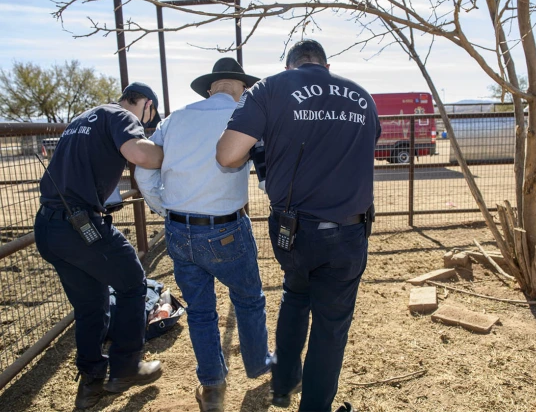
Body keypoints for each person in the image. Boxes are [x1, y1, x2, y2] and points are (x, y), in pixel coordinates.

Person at [216, 40, 381, 412]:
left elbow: (227, 155)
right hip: (348, 233)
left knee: (295, 295)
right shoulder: (361, 96)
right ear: (325, 63)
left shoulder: (271, 87)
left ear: (290, 65)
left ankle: (283, 385)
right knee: (331, 328)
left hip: (293, 232)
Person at [135, 58, 272, 412]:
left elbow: (145, 168)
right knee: (248, 299)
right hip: (226, 226)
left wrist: (166, 208)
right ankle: (259, 364)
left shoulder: (175, 118)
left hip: (180, 228)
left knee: (200, 311)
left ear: (210, 87)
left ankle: (212, 388)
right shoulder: (247, 117)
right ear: (242, 87)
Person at [34, 82, 165, 410]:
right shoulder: (120, 116)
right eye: (149, 119)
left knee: (91, 305)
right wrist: (173, 152)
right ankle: (125, 367)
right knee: (133, 284)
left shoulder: (83, 118)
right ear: (145, 104)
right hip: (80, 225)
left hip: (48, 226)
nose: (146, 125)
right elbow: (140, 154)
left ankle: (91, 384)